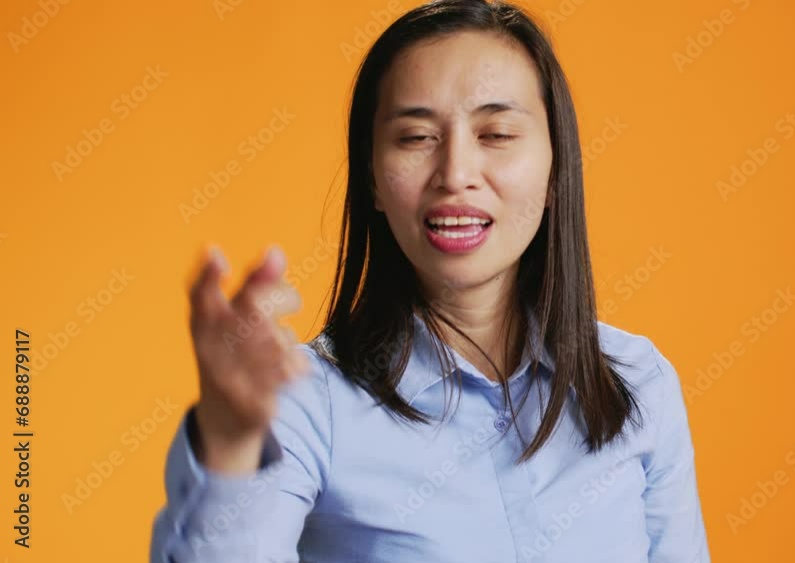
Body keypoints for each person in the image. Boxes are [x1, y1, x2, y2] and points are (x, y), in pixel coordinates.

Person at [149, 1, 710, 561]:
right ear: (372, 177)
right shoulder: (302, 403)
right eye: (416, 138)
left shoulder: (640, 384)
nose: (456, 174)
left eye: (496, 133)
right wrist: (228, 447)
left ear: (556, 166)